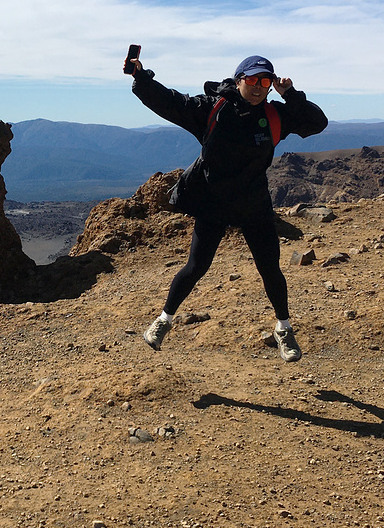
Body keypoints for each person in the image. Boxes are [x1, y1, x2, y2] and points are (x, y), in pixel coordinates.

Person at [125, 52, 327, 361]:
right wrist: (141, 79)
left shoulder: (275, 115)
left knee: (270, 268)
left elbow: (317, 122)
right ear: (238, 80)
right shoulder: (213, 109)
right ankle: (163, 321)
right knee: (196, 267)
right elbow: (171, 103)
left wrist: (291, 95)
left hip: (253, 204)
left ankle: (283, 329)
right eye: (252, 80)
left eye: (265, 81)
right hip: (213, 203)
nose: (258, 87)